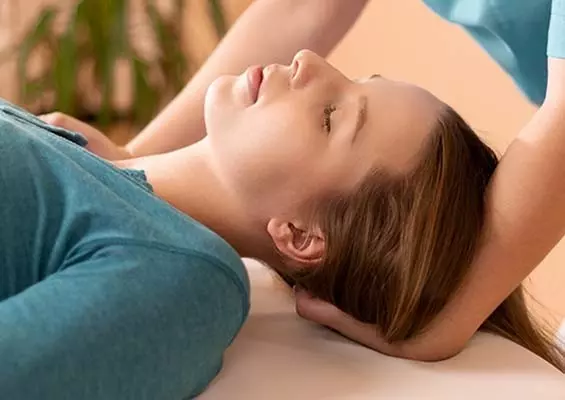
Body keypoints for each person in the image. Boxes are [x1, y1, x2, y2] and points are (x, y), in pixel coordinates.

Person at [46, 0, 565, 367]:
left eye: (330, 117)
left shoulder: (179, 285)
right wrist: (131, 161)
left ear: (298, 235)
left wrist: (446, 317)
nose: (307, 61)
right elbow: (306, 6)